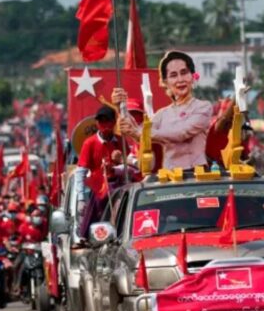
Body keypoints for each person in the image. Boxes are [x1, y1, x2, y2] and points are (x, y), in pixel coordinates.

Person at [115, 50, 213, 170]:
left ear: (192, 76)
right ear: (165, 82)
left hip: (196, 175)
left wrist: (141, 133)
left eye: (184, 73)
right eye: (173, 75)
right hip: (170, 178)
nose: (180, 79)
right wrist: (121, 107)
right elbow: (140, 133)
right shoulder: (162, 114)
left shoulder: (203, 107)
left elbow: (181, 133)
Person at [74, 105, 125, 240]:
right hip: (99, 190)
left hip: (121, 187)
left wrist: (121, 162)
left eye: (107, 120)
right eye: (100, 121)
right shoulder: (89, 143)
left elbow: (132, 166)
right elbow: (80, 172)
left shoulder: (121, 141)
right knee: (92, 223)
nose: (103, 124)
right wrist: (81, 198)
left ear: (114, 122)